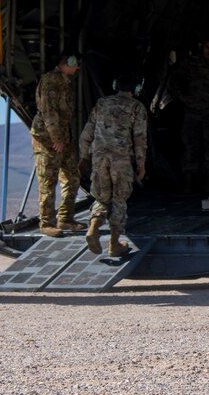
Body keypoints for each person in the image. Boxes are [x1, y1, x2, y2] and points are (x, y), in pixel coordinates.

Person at [79, 78, 149, 258]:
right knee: (119, 199)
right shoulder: (136, 107)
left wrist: (84, 156)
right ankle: (114, 244)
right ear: (136, 88)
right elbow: (139, 138)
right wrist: (141, 164)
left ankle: (93, 227)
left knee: (102, 198)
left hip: (99, 158)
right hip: (121, 159)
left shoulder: (102, 103)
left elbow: (87, 132)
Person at [31, 55, 81, 235]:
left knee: (72, 177)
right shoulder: (51, 81)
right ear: (67, 64)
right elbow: (49, 111)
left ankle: (65, 219)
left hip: (63, 136)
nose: (77, 69)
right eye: (76, 65)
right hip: (48, 138)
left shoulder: (64, 82)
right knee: (48, 180)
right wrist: (56, 139)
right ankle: (46, 224)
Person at [175, 39, 209, 193]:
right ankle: (188, 185)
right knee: (190, 146)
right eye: (207, 47)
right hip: (192, 110)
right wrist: (182, 96)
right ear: (202, 47)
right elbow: (175, 79)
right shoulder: (190, 62)